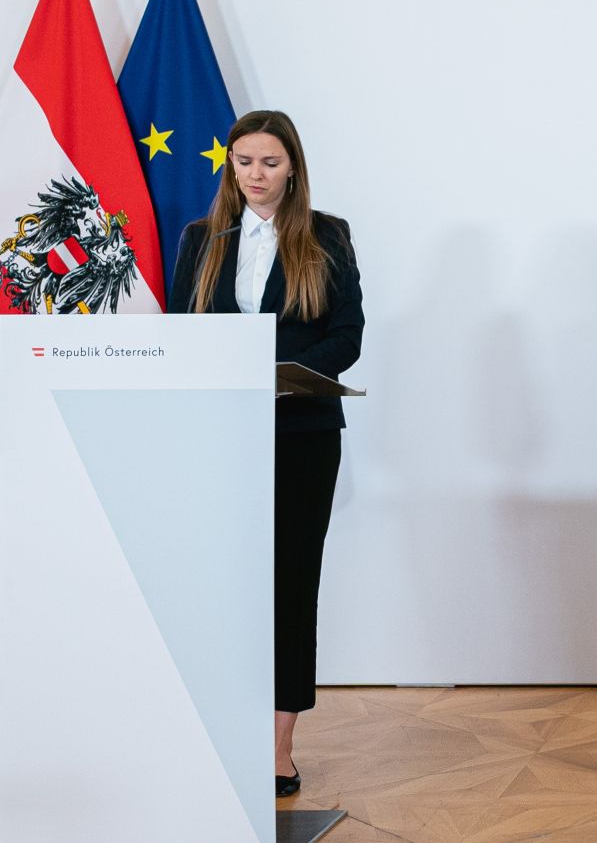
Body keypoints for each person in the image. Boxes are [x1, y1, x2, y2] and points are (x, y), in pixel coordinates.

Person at [169, 110, 364, 799]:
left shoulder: (326, 235)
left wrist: (274, 369)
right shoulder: (201, 239)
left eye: (271, 162)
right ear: (231, 166)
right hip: (222, 434)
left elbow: (347, 336)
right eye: (245, 161)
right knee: (224, 584)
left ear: (293, 169)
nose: (256, 174)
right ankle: (219, 731)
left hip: (302, 434)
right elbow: (182, 331)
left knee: (290, 585)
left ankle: (279, 747)